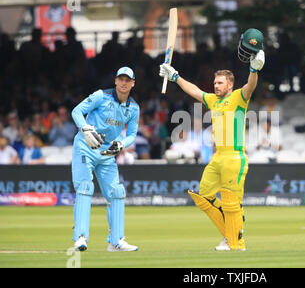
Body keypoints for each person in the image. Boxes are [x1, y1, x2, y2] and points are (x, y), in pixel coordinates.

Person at [159, 28, 265, 251]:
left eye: (219, 83)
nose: (215, 86)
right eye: (215, 83)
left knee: (231, 203)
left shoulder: (238, 97)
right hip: (218, 158)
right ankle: (232, 232)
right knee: (204, 197)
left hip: (235, 156)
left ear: (229, 85)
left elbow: (251, 85)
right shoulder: (213, 101)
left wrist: (254, 68)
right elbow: (195, 91)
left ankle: (236, 242)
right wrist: (175, 76)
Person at [70, 67, 140, 252]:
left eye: (128, 80)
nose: (124, 83)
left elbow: (132, 134)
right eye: (121, 79)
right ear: (115, 81)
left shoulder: (133, 108)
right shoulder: (101, 96)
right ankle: (80, 237)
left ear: (133, 83)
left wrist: (122, 144)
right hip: (86, 146)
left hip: (108, 151)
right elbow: (77, 111)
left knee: (116, 191)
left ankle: (116, 241)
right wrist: (84, 128)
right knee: (85, 187)